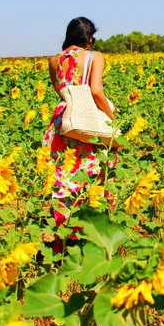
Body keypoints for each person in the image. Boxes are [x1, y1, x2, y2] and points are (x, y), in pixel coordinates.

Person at [42, 17, 117, 228]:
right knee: (91, 176)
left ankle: (64, 231)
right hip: (86, 125)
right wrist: (113, 121)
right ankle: (91, 228)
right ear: (90, 38)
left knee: (63, 176)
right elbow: (96, 91)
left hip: (63, 122)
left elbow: (61, 91)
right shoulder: (94, 57)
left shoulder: (54, 60)